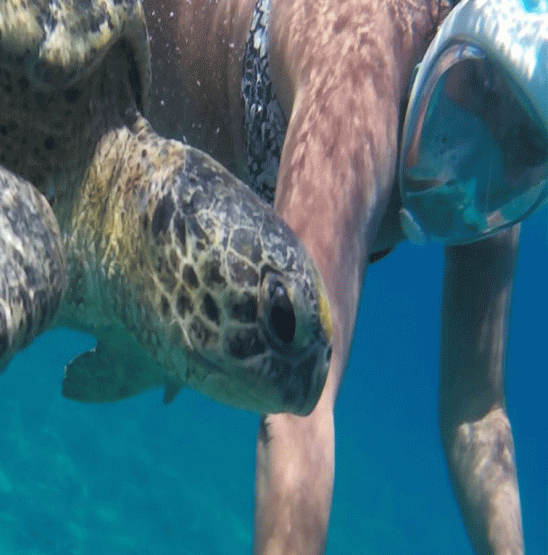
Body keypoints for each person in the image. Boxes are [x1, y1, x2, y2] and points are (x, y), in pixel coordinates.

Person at [142, 0, 546, 552]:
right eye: (480, 92)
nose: (472, 153)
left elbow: (479, 411)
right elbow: (299, 405)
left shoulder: (499, 163)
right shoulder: (360, 60)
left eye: (524, 144)